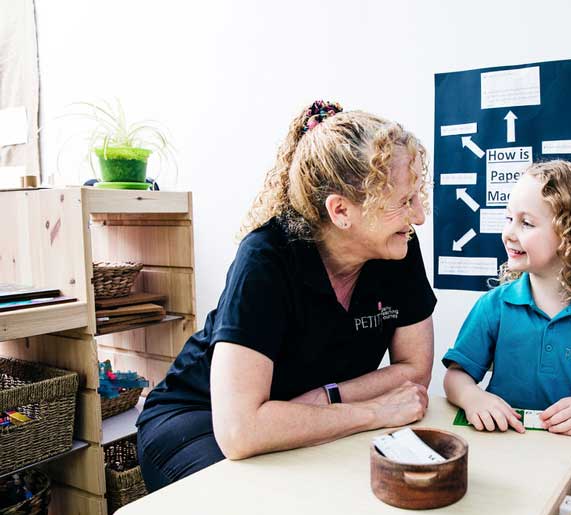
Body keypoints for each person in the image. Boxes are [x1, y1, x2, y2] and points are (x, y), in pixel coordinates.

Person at [136, 101, 437, 491]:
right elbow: (241, 430)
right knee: (264, 507)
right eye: (403, 202)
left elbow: (414, 371)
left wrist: (324, 399)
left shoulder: (398, 247)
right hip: (199, 417)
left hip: (299, 417)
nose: (419, 216)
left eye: (416, 197)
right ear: (341, 210)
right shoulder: (266, 258)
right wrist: (373, 410)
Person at [442, 160, 571, 436]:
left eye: (526, 223)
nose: (508, 233)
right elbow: (456, 376)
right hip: (507, 443)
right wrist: (473, 397)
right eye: (509, 219)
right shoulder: (494, 306)